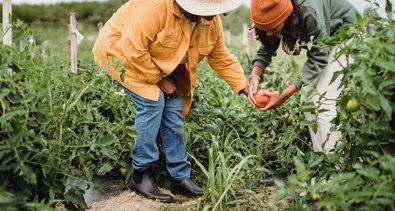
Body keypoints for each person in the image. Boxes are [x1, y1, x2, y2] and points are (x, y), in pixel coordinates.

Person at [92, 0, 248, 203]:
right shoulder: (154, 7)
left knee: (174, 107)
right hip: (122, 54)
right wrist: (159, 80)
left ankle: (179, 176)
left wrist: (245, 87)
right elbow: (133, 48)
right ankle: (141, 174)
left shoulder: (211, 22)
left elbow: (220, 57)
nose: (213, 16)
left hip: (158, 60)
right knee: (153, 101)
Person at [248, 0, 358, 152]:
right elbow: (267, 47)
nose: (269, 33)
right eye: (264, 28)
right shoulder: (275, 10)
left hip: (349, 35)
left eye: (272, 28)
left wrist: (284, 94)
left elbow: (318, 57)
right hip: (327, 40)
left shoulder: (308, 10)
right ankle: (322, 161)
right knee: (306, 98)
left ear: (286, 16)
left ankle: (335, 168)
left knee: (323, 100)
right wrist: (254, 77)